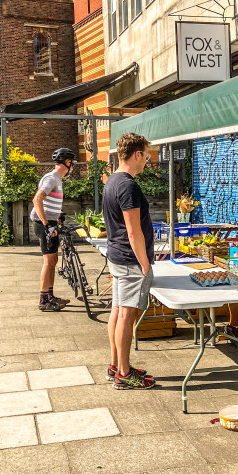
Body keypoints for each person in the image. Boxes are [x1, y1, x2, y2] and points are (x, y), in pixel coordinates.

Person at [102, 133, 156, 390]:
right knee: (127, 314)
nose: (146, 161)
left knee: (117, 311)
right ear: (136, 155)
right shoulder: (128, 186)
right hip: (130, 259)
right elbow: (133, 231)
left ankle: (116, 365)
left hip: (117, 255)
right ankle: (123, 373)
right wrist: (145, 263)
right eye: (145, 156)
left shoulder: (112, 181)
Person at [30, 148, 73, 312]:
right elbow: (37, 199)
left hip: (51, 222)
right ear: (67, 163)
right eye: (72, 163)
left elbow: (48, 202)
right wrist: (47, 224)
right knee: (48, 262)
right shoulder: (52, 178)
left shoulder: (57, 179)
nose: (72, 167)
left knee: (53, 261)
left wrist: (58, 214)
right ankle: (43, 300)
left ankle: (50, 295)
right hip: (44, 224)